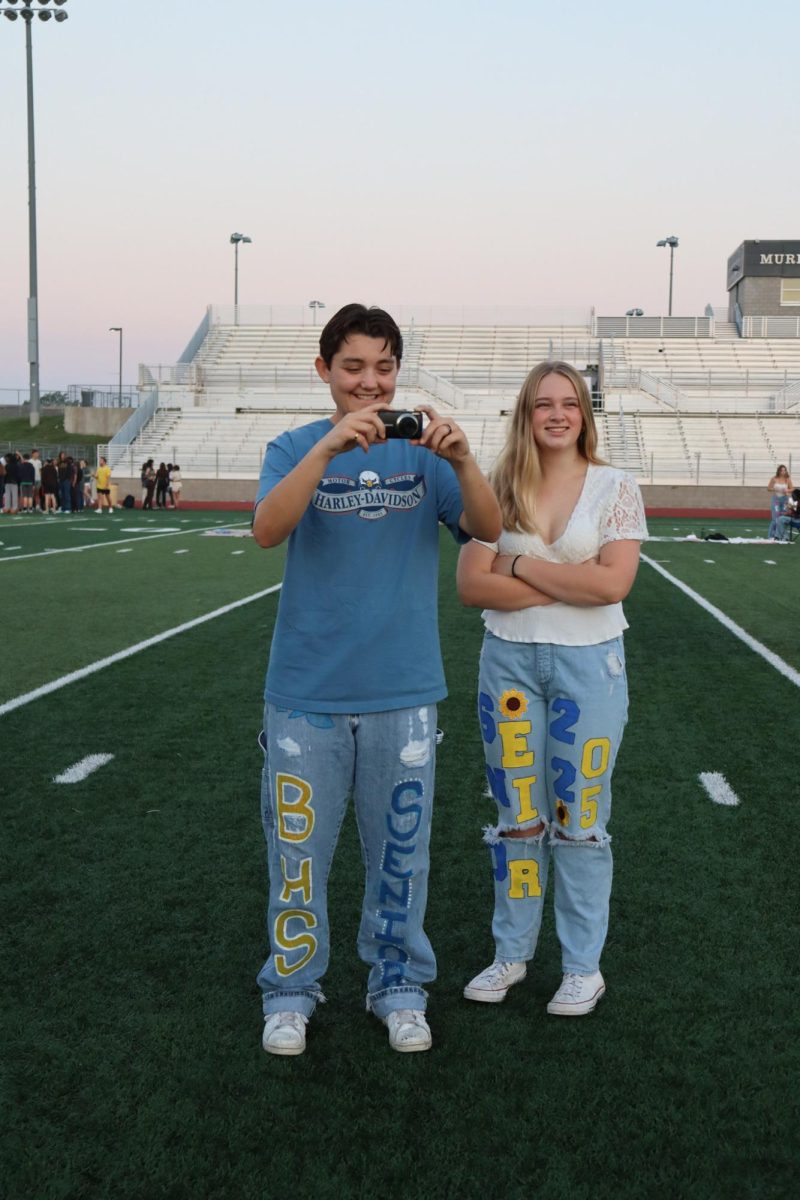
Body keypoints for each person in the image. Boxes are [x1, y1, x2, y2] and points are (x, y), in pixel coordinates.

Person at [253, 302, 501, 1056]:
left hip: (404, 690)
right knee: (297, 854)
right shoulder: (293, 445)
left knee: (402, 853)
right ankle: (291, 989)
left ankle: (397, 985)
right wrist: (326, 450)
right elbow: (267, 529)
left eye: (384, 367)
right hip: (306, 691)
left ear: (399, 372)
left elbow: (488, 527)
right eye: (353, 366)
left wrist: (460, 459)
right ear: (323, 370)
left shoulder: (423, 453)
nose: (370, 382)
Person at [458, 361, 648, 1017]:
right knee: (518, 819)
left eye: (570, 403)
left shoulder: (616, 486)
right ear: (526, 413)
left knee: (580, 821)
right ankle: (511, 954)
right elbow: (471, 587)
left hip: (589, 665)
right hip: (507, 664)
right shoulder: (497, 487)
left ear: (585, 415)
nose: (558, 414)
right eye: (544, 404)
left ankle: (582, 968)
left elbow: (613, 585)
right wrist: (568, 578)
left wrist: (517, 564)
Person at [767, 465, 792, 540]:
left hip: (785, 499)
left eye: (784, 470)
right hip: (776, 499)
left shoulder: (787, 479)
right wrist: (774, 489)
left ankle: (784, 536)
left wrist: (787, 491)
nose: (783, 472)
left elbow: (792, 488)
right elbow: (768, 488)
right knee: (775, 518)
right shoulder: (774, 478)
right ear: (779, 471)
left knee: (783, 518)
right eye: (781, 470)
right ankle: (771, 535)